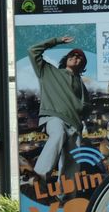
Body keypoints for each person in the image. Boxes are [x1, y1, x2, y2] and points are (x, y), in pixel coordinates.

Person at [27, 35, 88, 181]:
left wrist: (80, 120)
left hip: (74, 125)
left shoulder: (82, 85)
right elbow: (32, 51)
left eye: (80, 57)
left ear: (82, 65)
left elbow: (87, 107)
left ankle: (67, 199)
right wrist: (56, 41)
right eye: (72, 55)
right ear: (66, 58)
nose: (76, 57)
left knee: (72, 164)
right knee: (58, 134)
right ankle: (39, 176)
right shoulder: (48, 71)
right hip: (54, 117)